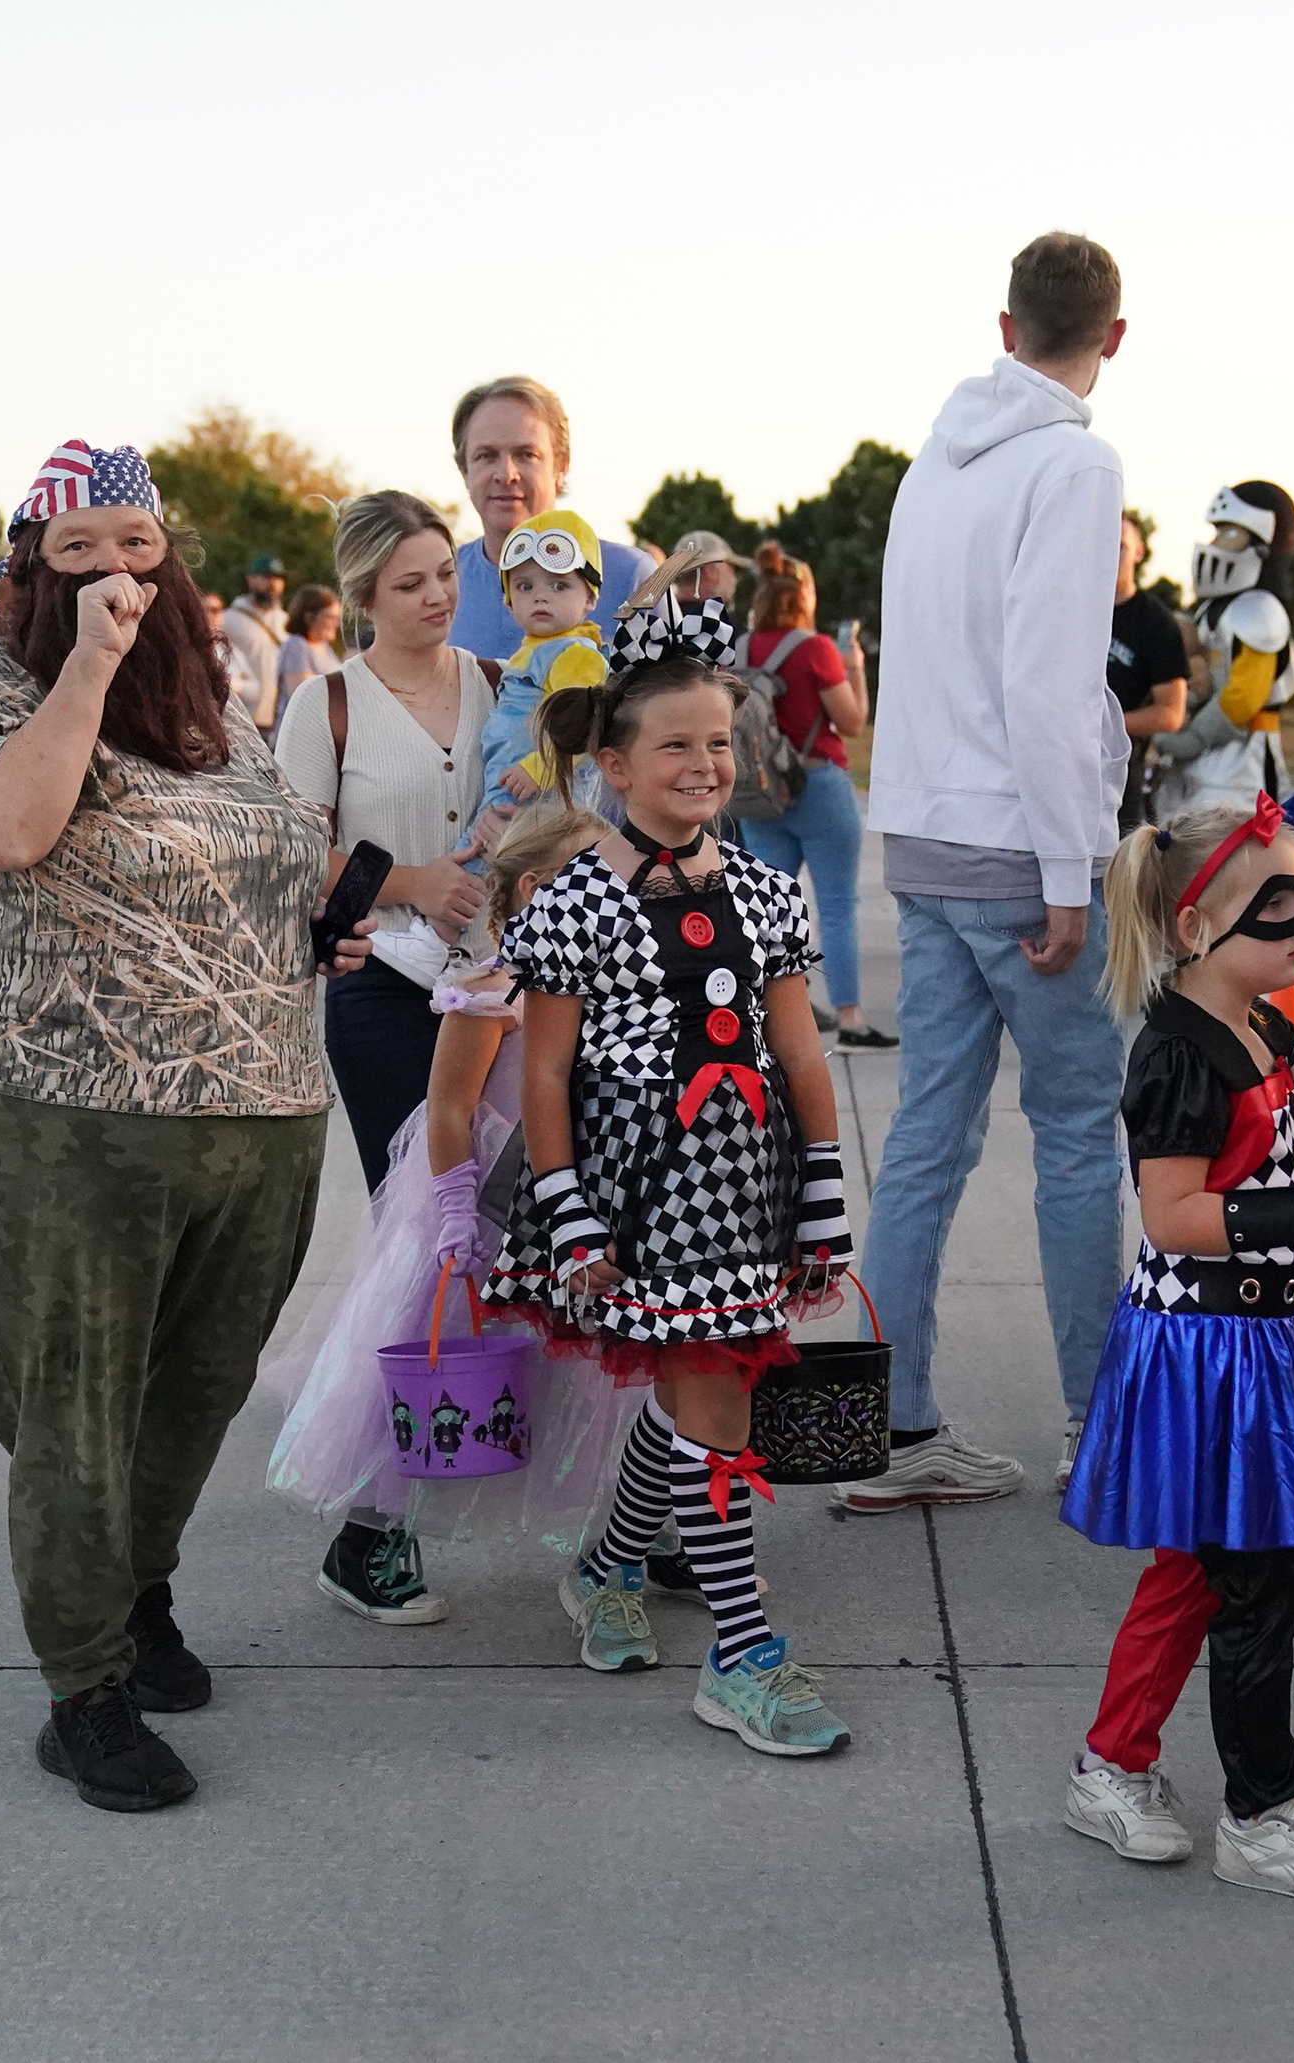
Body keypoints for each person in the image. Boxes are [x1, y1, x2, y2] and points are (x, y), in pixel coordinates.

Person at [0, 439, 372, 1814]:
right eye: (81, 550)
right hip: (65, 1115)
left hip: (258, 1106)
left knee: (196, 1386)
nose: (118, 572)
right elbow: (11, 834)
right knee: (79, 1404)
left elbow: (277, 856)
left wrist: (315, 927)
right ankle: (83, 1685)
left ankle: (138, 1593)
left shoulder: (218, 713)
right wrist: (84, 671)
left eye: (138, 545)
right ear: (28, 571)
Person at [483, 598, 859, 1756]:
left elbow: (796, 1044)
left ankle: (606, 1565)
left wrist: (826, 1184)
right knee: (716, 1394)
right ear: (611, 764)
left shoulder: (763, 887)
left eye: (719, 741)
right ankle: (740, 1653)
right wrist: (564, 1207)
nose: (705, 764)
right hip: (634, 1186)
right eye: (675, 745)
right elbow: (543, 1072)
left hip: (748, 1174)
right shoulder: (574, 900)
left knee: (703, 1379)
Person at [1059, 795, 1294, 1902]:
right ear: (1199, 925)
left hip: (1251, 1340)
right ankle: (1261, 1812)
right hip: (1197, 1346)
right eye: (1275, 906)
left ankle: (1110, 1764)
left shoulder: (1268, 1023)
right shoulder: (1174, 1053)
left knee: (1197, 1572)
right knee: (1249, 1581)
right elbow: (1170, 1216)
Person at [840, 231, 1133, 1510]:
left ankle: (884, 1432)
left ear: (1004, 326)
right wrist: (1072, 869)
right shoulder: (1075, 463)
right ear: (1112, 339)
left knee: (925, 1138)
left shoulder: (930, 465)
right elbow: (1050, 681)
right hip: (1019, 843)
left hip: (919, 831)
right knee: (1076, 1132)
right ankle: (1099, 1426)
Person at [265, 797, 627, 1624]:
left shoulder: (607, 989)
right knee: (438, 1376)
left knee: (592, 1372)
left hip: (566, 1216)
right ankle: (368, 1540)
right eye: (597, 881)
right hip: (475, 1209)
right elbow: (450, 1109)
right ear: (537, 891)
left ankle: (634, 1532)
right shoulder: (490, 991)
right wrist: (457, 1212)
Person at [272, 491, 494, 1187]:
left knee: (511, 1215)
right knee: (414, 1212)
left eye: (444, 573)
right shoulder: (326, 704)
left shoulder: (500, 687)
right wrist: (417, 882)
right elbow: (291, 854)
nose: (438, 595)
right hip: (382, 987)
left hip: (502, 989)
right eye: (410, 584)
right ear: (364, 595)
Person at [733, 540, 891, 1047]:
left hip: (758, 792)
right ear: (804, 596)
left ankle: (771, 1018)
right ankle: (848, 1018)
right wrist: (856, 668)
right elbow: (850, 722)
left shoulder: (740, 649)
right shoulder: (817, 649)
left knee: (766, 910)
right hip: (817, 785)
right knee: (838, 906)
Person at [445, 377, 645, 660]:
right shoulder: (442, 586)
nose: (506, 474)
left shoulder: (632, 579)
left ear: (561, 466)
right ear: (465, 471)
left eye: (526, 454)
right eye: (486, 456)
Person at [1155, 482, 1294, 816]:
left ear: (1263, 543)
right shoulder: (1209, 611)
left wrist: (1193, 737)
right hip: (1201, 760)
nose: (1214, 544)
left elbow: (1244, 696)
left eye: (1228, 532)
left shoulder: (1260, 611)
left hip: (1245, 761)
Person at [472, 507, 609, 848]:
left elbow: (584, 723)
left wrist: (540, 769)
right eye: (524, 585)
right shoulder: (532, 652)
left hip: (543, 795)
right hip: (513, 788)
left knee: (504, 870)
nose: (540, 595)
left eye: (560, 585)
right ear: (509, 600)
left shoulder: (575, 654)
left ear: (589, 597)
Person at [1108, 512, 1189, 833]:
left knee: (1109, 872)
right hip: (1055, 763)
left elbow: (1171, 713)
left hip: (1118, 771)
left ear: (1139, 552)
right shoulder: (1066, 608)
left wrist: (1099, 725)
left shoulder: (1155, 623)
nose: (1109, 555)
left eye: (1120, 546)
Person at [222, 553, 289, 730]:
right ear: (250, 580)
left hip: (279, 721)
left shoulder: (286, 622)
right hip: (241, 720)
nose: (273, 584)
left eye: (278, 579)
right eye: (266, 577)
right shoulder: (229, 620)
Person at [276, 584, 342, 713]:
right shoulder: (297, 646)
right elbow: (301, 694)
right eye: (330, 617)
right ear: (309, 617)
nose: (337, 624)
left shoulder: (324, 647)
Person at [669, 530, 753, 606]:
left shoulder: (661, 618)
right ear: (710, 571)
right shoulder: (717, 622)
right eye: (731, 570)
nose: (734, 580)